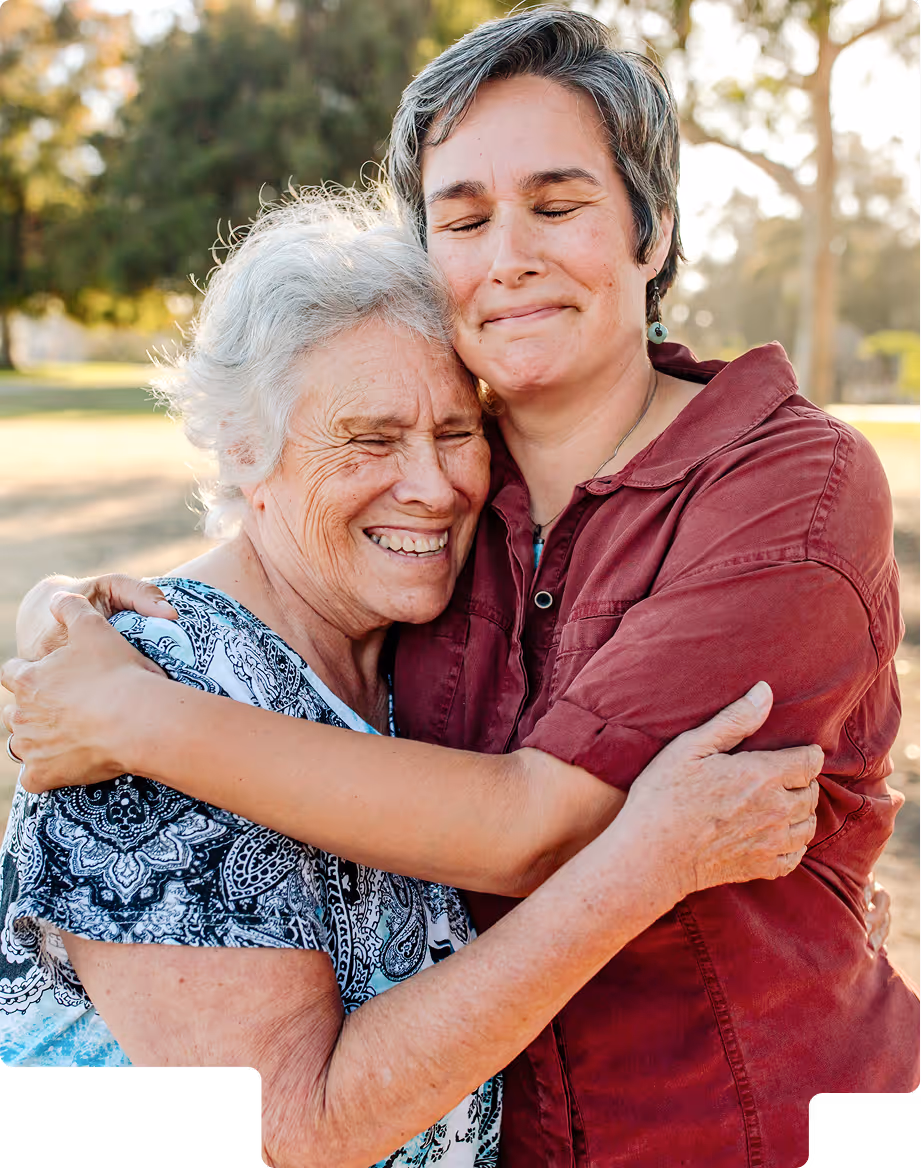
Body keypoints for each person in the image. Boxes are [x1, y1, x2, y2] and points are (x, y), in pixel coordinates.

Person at [3, 8, 917, 1166]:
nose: (508, 256)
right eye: (465, 217)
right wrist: (73, 627)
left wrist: (135, 712)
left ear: (654, 229)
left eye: (558, 202)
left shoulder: (780, 486)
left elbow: (538, 825)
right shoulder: (437, 536)